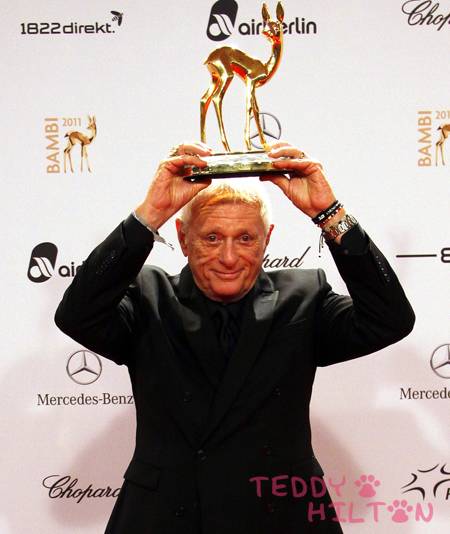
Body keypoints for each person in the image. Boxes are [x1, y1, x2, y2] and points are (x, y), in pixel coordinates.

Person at [54, 141, 415, 534]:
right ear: (183, 237)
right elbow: (77, 315)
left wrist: (330, 214)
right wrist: (149, 216)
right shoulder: (148, 298)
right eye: (212, 238)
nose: (228, 257)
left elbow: (390, 320)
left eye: (245, 238)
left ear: (266, 239)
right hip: (167, 518)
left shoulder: (303, 298)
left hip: (280, 519)